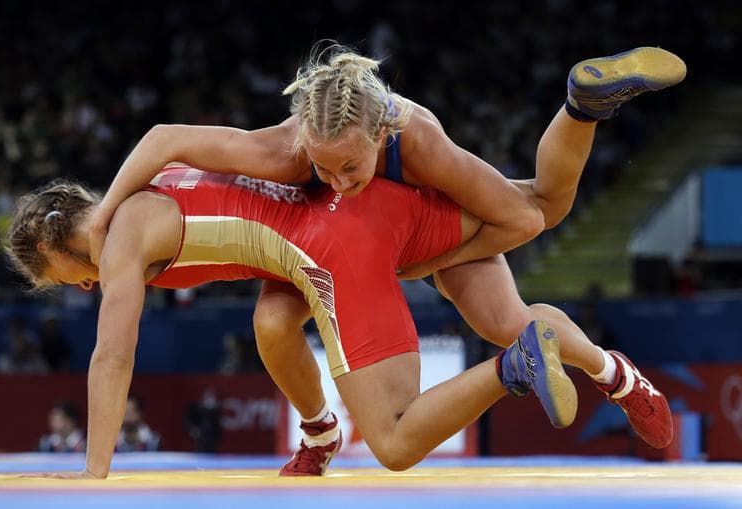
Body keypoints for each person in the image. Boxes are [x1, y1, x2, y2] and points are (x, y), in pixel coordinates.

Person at [84, 44, 684, 473]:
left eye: (350, 166)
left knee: (539, 218)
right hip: (338, 240)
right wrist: (107, 212)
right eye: (322, 167)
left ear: (378, 137)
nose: (337, 179)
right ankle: (320, 435)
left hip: (427, 216)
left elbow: (521, 224)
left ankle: (582, 106)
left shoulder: (414, 135)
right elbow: (164, 138)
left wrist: (428, 262)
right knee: (270, 324)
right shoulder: (291, 147)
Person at [6, 166, 576, 478]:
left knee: (396, 444)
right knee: (273, 327)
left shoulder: (121, 241)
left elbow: (113, 354)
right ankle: (321, 433)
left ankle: (514, 362)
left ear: (52, 245)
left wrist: (94, 473)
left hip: (325, 247)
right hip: (316, 223)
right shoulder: (155, 180)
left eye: (64, 278)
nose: (85, 286)